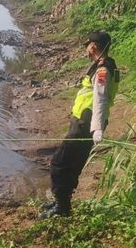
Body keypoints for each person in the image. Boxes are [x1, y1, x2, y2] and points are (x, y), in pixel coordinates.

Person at [41, 31, 119, 218]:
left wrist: (97, 128)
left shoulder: (102, 71)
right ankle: (62, 202)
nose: (86, 48)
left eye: (88, 44)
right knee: (72, 164)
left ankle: (61, 206)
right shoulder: (103, 66)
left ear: (93, 46)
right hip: (83, 121)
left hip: (86, 124)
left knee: (59, 163)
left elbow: (100, 99)